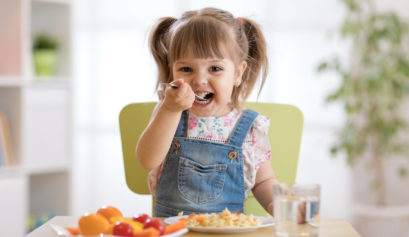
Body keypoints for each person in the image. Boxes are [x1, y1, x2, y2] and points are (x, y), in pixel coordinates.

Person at [136, 7, 277, 217]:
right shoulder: (169, 113)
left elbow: (264, 181)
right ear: (172, 69)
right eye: (186, 69)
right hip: (173, 230)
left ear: (238, 73)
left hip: (228, 231)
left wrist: (279, 206)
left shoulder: (250, 128)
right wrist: (170, 109)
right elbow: (147, 160)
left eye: (215, 68)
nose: (199, 80)